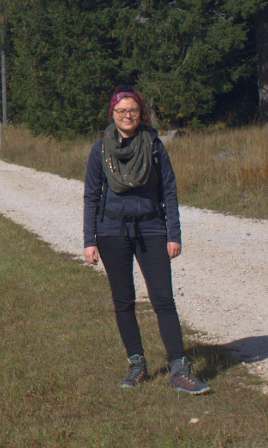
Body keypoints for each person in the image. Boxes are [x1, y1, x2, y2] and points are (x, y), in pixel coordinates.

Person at [83, 85, 210, 395]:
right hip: (111, 231)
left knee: (163, 300)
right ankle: (137, 365)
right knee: (123, 301)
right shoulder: (100, 150)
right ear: (112, 114)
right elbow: (90, 196)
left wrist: (173, 234)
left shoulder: (154, 145)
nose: (128, 116)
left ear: (141, 114)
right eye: (122, 111)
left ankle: (179, 368)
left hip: (152, 228)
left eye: (134, 111)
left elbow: (169, 191)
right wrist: (90, 239)